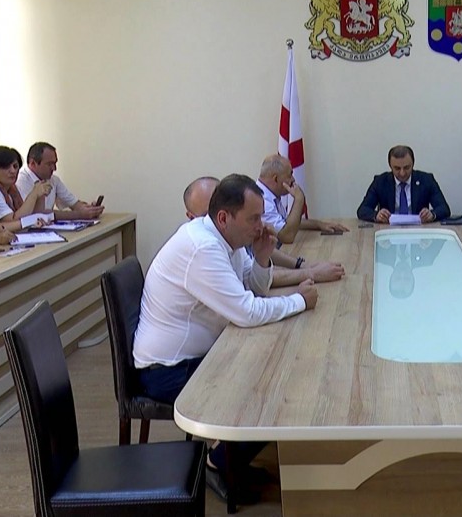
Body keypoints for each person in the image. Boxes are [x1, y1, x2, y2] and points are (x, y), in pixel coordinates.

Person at [133, 174, 320, 504]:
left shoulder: (225, 239)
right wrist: (299, 301)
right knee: (273, 392)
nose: (261, 226)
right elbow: (247, 312)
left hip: (199, 354)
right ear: (224, 217)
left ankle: (232, 456)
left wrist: (262, 257)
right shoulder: (203, 247)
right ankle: (217, 462)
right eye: (254, 218)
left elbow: (251, 288)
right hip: (167, 370)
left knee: (275, 375)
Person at [182, 176, 344, 286]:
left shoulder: (234, 229)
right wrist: (311, 273)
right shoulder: (203, 246)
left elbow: (253, 278)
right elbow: (246, 307)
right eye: (209, 214)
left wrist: (302, 265)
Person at [255, 154, 347, 243]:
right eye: (289, 175)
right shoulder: (261, 200)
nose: (293, 179)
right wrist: (299, 200)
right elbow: (287, 236)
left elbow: (287, 224)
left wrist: (319, 224)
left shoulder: (270, 194)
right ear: (276, 179)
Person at [356, 145, 450, 223]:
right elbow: (363, 210)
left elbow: (444, 208)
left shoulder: (426, 180)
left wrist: (432, 214)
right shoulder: (380, 182)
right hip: (389, 231)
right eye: (397, 168)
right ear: (390, 166)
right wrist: (376, 215)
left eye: (407, 167)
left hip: (418, 231)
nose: (402, 173)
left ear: (413, 164)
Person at [16, 142, 104, 220]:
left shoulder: (54, 180)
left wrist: (89, 209)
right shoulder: (21, 181)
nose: (54, 168)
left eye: (55, 163)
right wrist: (79, 214)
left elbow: (74, 203)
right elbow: (37, 214)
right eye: (49, 164)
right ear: (33, 163)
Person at [0, 146, 51, 227]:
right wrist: (34, 194)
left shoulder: (13, 188)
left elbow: (33, 215)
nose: (13, 171)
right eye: (6, 167)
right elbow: (12, 221)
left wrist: (41, 195)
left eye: (15, 166)